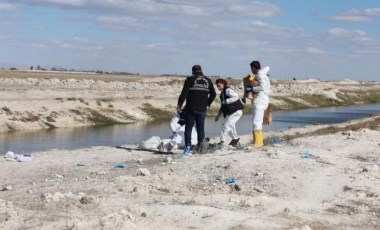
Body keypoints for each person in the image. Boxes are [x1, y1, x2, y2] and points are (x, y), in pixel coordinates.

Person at [177, 65, 216, 156]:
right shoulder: (208, 80)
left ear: (193, 71)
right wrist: (207, 103)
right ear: (201, 70)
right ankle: (200, 148)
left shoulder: (190, 79)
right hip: (202, 109)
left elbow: (184, 94)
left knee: (188, 128)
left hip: (190, 108)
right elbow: (213, 94)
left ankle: (187, 148)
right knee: (200, 129)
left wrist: (179, 105)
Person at [244, 61, 271, 147]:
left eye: (251, 68)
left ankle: (258, 143)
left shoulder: (260, 75)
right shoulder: (262, 74)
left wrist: (252, 88)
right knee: (256, 121)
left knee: (257, 121)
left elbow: (262, 87)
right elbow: (268, 67)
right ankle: (257, 142)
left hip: (260, 100)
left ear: (253, 68)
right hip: (261, 100)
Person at [214, 78, 244, 149]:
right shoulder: (222, 94)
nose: (218, 87)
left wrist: (227, 101)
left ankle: (222, 141)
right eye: (217, 86)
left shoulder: (227, 90)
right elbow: (223, 105)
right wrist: (218, 114)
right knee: (231, 127)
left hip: (236, 111)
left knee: (226, 126)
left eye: (219, 86)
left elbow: (236, 97)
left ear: (223, 84)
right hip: (232, 112)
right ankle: (236, 140)